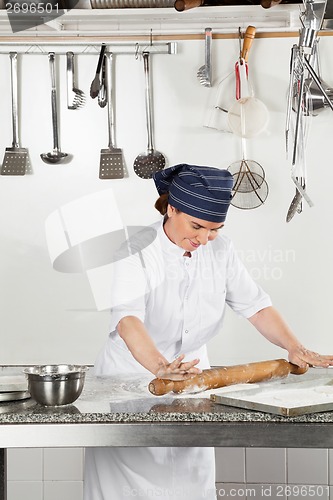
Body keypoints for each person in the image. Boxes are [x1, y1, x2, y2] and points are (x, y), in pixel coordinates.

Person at [84, 164, 333, 500]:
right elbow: (128, 319)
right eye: (197, 226)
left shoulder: (221, 250)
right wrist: (160, 366)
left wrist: (294, 346)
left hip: (194, 381)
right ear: (171, 208)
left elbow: (256, 306)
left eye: (214, 229)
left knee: (190, 483)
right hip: (133, 377)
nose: (203, 239)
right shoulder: (135, 250)